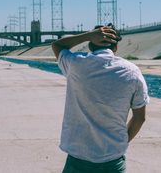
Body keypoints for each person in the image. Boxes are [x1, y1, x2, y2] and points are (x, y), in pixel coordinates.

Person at [51, 24, 149, 173]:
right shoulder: (132, 72)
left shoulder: (76, 64)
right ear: (115, 48)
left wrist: (88, 35)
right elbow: (139, 118)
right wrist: (121, 141)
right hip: (113, 160)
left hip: (78, 159)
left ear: (90, 46)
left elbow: (57, 45)